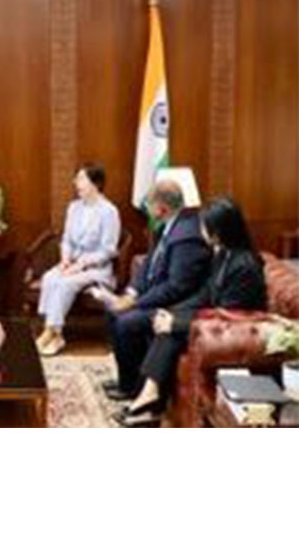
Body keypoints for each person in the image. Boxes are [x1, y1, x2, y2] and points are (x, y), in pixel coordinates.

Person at [120, 196, 267, 427]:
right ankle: (149, 399)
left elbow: (228, 317)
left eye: (204, 225)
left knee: (170, 331)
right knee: (163, 324)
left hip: (233, 330)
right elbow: (206, 294)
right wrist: (171, 313)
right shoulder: (223, 253)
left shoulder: (245, 266)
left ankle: (148, 400)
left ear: (218, 231)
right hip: (215, 317)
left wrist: (177, 323)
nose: (199, 230)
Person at [94, 177, 212, 402]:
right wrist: (131, 293)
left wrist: (136, 304)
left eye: (148, 204)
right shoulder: (167, 226)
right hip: (155, 296)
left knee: (126, 322)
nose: (146, 209)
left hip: (176, 306)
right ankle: (128, 382)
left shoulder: (188, 237)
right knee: (113, 312)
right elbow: (148, 264)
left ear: (161, 208)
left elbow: (177, 287)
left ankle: (134, 388)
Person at [35, 163, 122, 356]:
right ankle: (55, 333)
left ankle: (50, 332)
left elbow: (108, 251)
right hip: (71, 263)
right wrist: (65, 260)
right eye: (77, 179)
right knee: (50, 278)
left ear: (95, 183)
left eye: (81, 179)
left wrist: (81, 265)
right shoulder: (74, 208)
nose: (76, 183)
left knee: (66, 283)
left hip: (96, 269)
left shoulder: (109, 211)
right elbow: (66, 239)